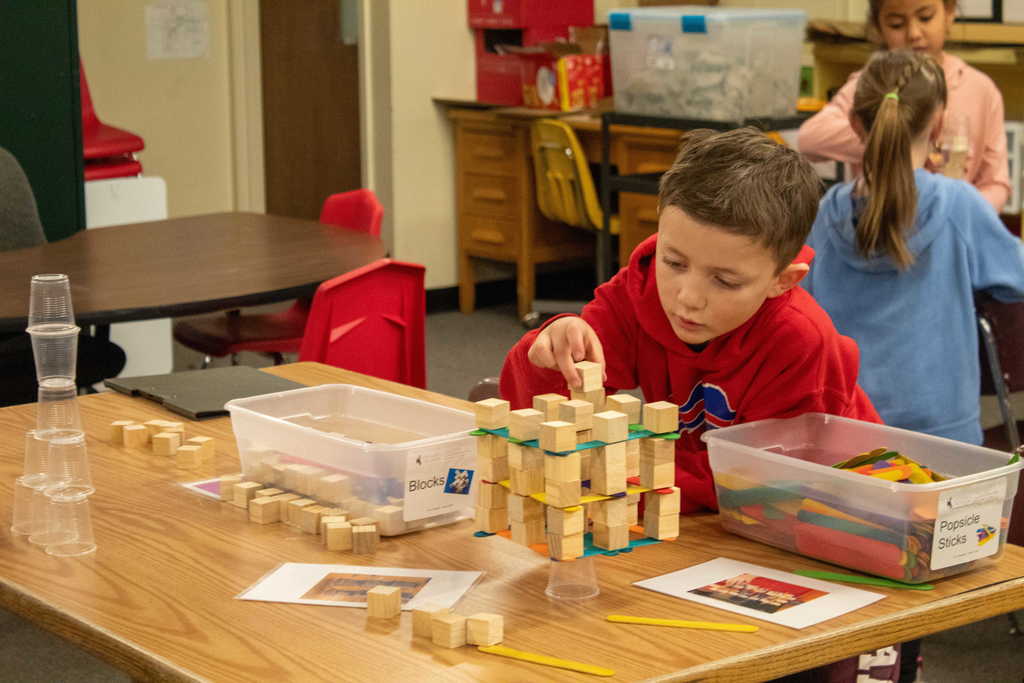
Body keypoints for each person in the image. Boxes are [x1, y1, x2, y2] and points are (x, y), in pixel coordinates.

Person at [499, 127, 881, 514]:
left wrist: (618, 477)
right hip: (705, 507)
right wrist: (551, 350)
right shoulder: (640, 288)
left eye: (724, 280)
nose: (688, 298)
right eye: (674, 262)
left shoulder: (801, 342)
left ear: (782, 281)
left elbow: (764, 486)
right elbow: (539, 416)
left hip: (841, 508)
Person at [801, 48, 1024, 683]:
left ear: (859, 125)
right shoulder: (958, 206)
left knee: (853, 583)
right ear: (941, 122)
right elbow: (1015, 280)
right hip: (942, 453)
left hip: (844, 445)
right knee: (915, 589)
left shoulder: (827, 211)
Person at [797, 0, 1009, 213]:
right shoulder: (871, 84)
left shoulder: (981, 90)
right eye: (897, 24)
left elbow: (996, 184)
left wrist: (962, 215)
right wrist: (896, 136)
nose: (914, 34)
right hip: (878, 226)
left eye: (925, 18)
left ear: (949, 13)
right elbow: (809, 139)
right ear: (878, 28)